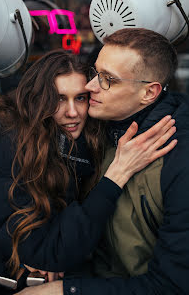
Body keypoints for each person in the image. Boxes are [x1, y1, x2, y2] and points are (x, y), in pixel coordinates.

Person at [0, 48, 175, 295]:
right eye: (58, 99)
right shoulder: (5, 147)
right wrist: (116, 175)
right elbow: (48, 250)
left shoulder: (79, 144)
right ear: (38, 101)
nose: (73, 112)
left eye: (80, 98)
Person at [15, 28, 189, 295]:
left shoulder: (178, 158)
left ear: (149, 93)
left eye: (108, 79)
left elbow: (173, 285)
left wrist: (67, 289)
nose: (90, 85)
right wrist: (55, 255)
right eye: (95, 72)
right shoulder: (96, 129)